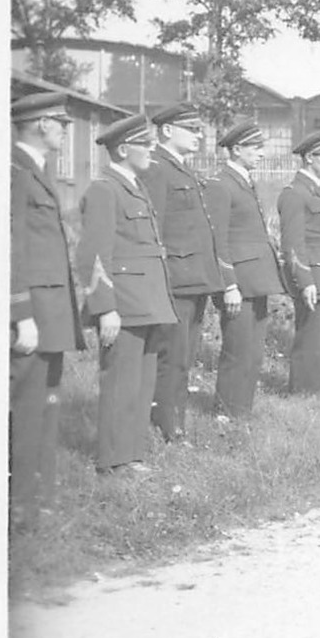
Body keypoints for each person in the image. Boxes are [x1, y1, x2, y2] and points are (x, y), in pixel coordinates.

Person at [76, 114, 178, 474]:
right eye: (144, 144)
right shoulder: (105, 189)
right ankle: (113, 460)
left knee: (140, 382)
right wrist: (105, 309)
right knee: (121, 382)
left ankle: (131, 455)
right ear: (123, 149)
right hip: (124, 305)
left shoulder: (134, 185)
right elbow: (93, 256)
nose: (152, 149)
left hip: (147, 302)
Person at [9, 92, 86, 524]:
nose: (64, 129)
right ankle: (22, 503)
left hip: (51, 311)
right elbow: (11, 249)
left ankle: (42, 495)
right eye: (61, 122)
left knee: (47, 404)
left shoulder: (36, 171)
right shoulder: (16, 172)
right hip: (33, 315)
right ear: (41, 124)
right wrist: (21, 315)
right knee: (27, 406)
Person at [142, 103, 229, 442]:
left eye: (198, 129)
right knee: (172, 358)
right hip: (175, 281)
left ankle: (171, 422)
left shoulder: (182, 169)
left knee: (185, 357)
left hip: (194, 279)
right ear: (166, 131)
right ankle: (167, 427)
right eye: (191, 129)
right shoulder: (157, 169)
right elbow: (155, 231)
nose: (199, 135)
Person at [207, 122, 286, 418]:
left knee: (252, 353)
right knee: (237, 351)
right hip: (238, 283)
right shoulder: (221, 184)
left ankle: (242, 410)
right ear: (236, 149)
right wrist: (228, 285)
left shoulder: (245, 181)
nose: (261, 154)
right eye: (255, 148)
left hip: (257, 281)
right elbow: (218, 239)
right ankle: (225, 412)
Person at [278, 130, 320, 395]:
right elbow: (293, 245)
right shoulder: (296, 193)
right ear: (309, 157)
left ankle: (319, 394)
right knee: (310, 341)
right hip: (314, 280)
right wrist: (305, 281)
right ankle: (302, 394)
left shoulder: (319, 191)